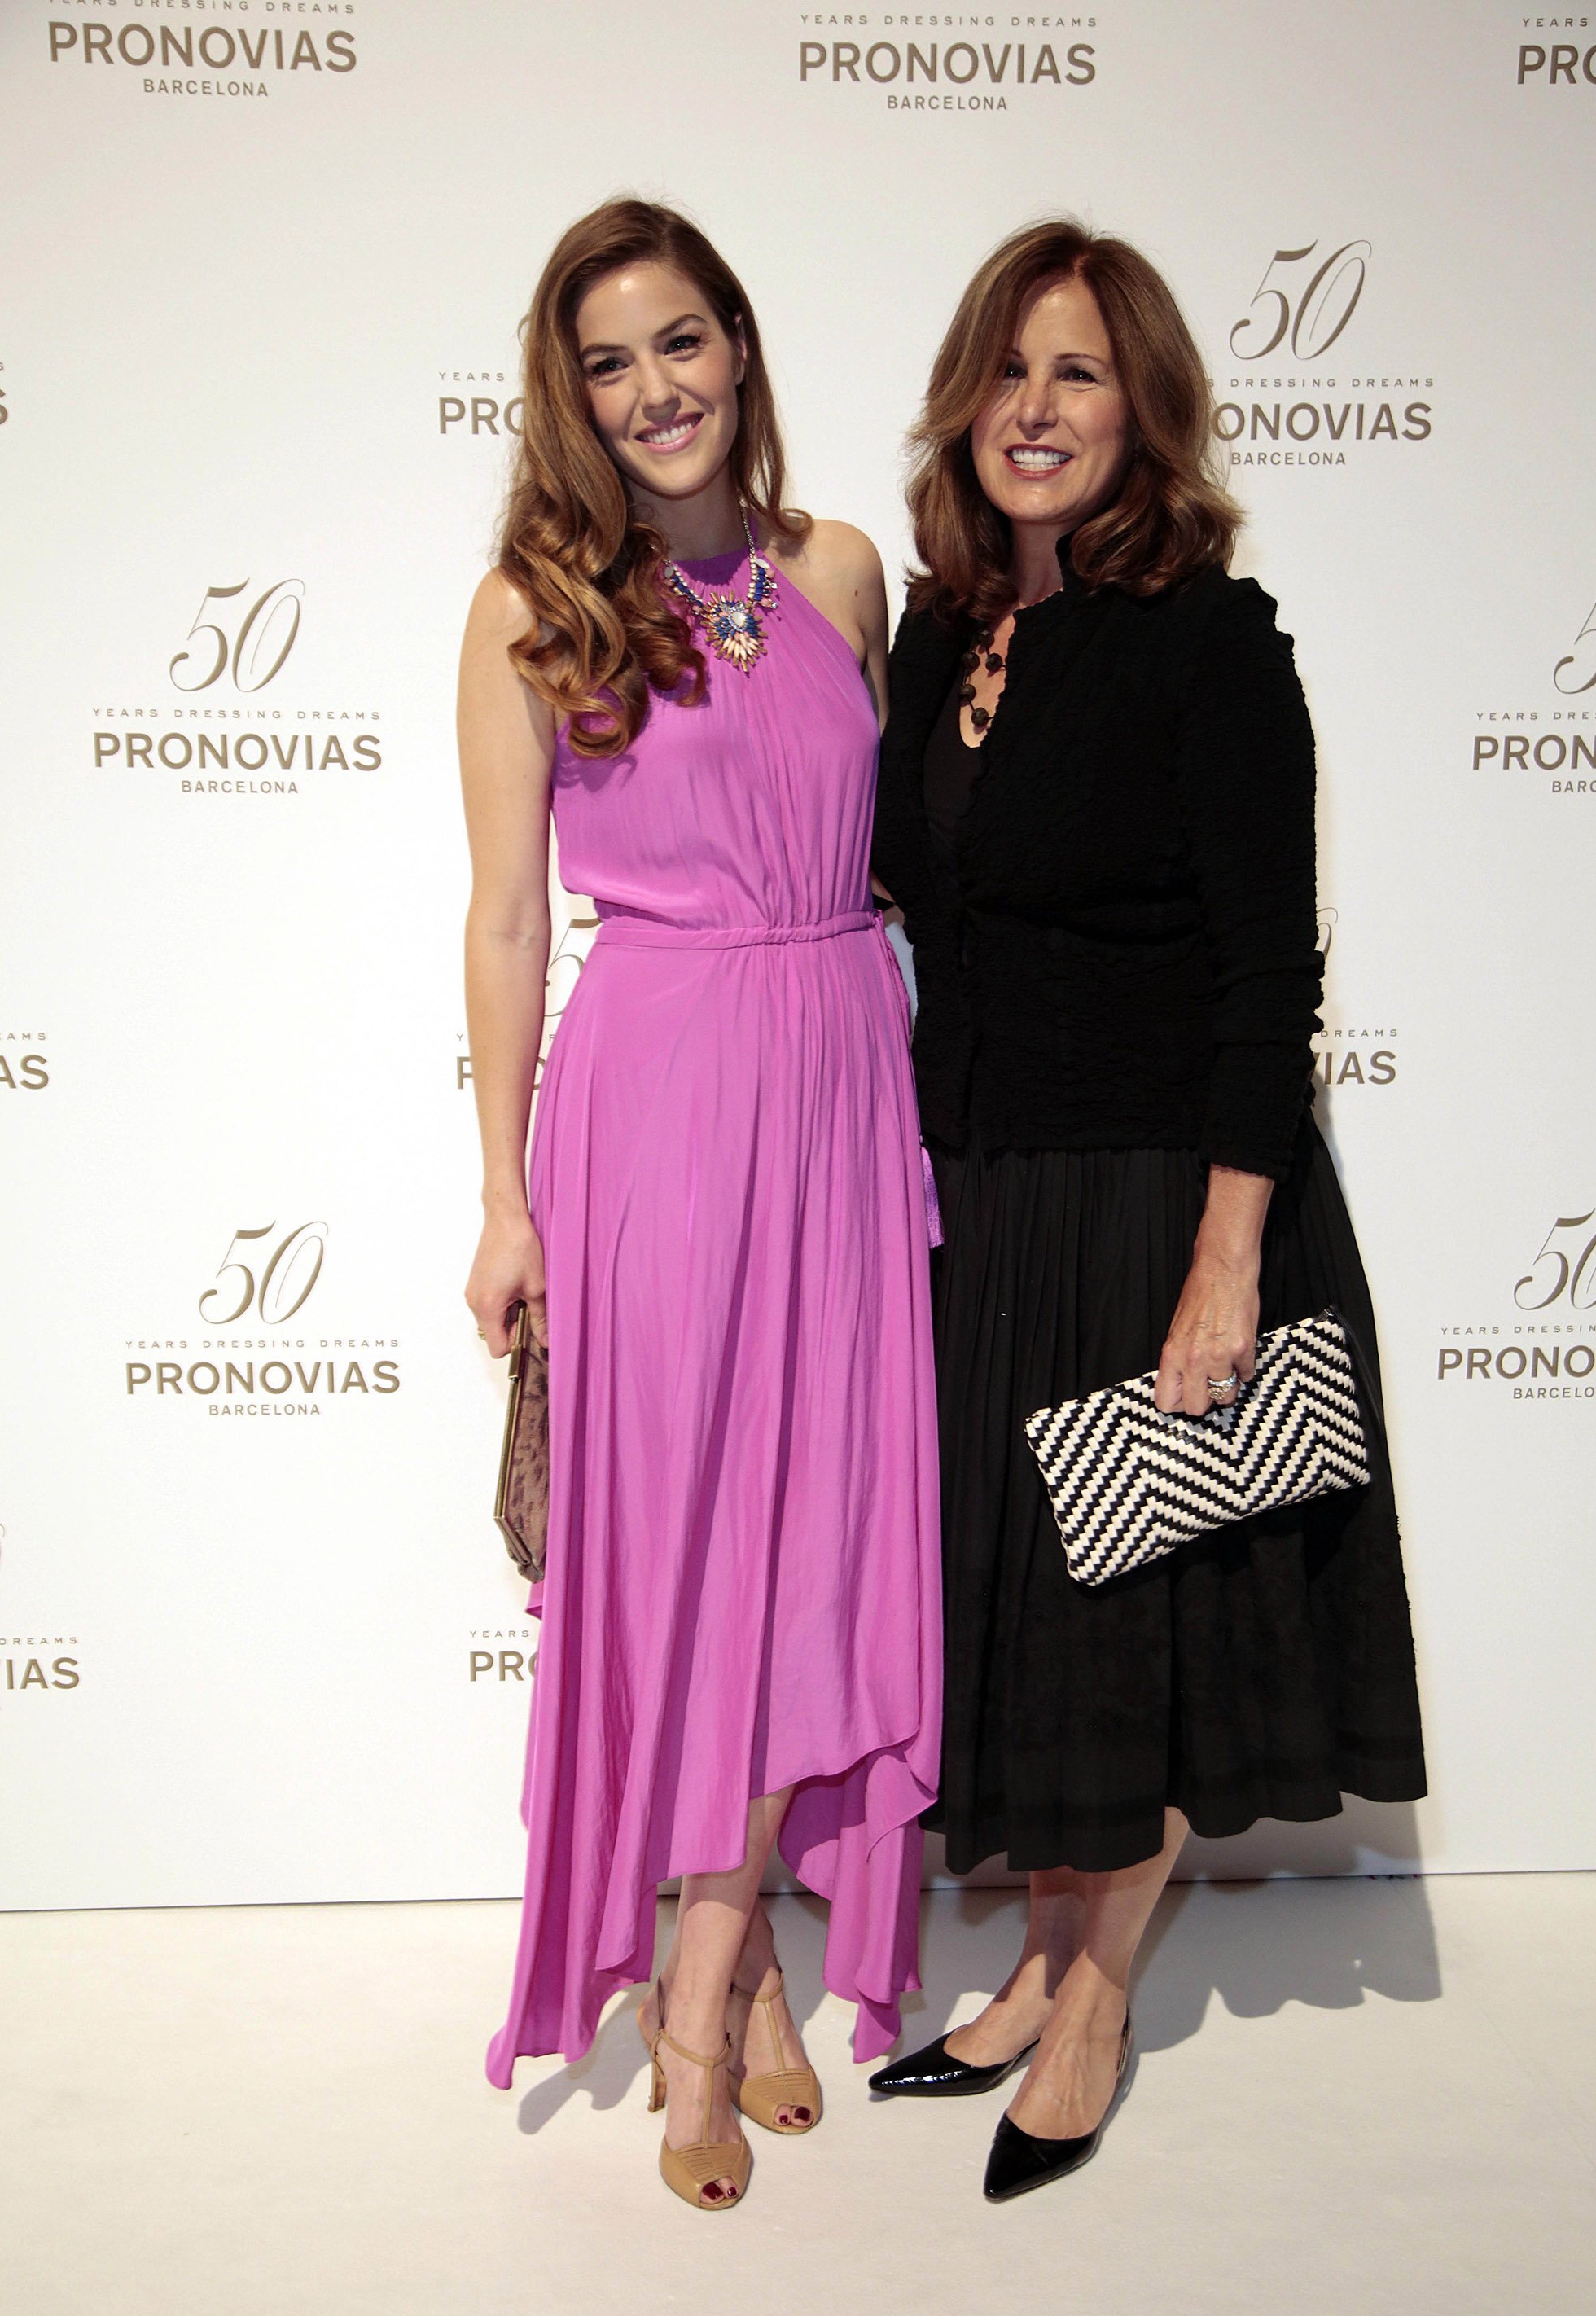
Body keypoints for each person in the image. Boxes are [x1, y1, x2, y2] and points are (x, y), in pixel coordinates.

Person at [866, 220, 1426, 2202]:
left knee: (1128, 1615)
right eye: (1009, 370)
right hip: (988, 1198)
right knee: (1031, 1607)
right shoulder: (936, 634)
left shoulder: (1210, 636)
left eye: (1080, 373)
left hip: (1165, 1197)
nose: (1037, 409)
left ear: (1147, 408)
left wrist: (1226, 1255)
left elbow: (1271, 974)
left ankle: (1095, 2010)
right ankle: (1035, 1961)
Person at [459, 200, 941, 2212]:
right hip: (650, 1105)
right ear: (570, 397)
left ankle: (729, 1962)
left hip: (838, 1081)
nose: (652, 390)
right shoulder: (528, 610)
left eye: (681, 343)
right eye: (607, 362)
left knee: (807, 1532)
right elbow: (498, 919)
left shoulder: (838, 569)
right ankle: (699, 1996)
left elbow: (888, 848)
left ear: (738, 347)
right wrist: (502, 1202)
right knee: (683, 1552)